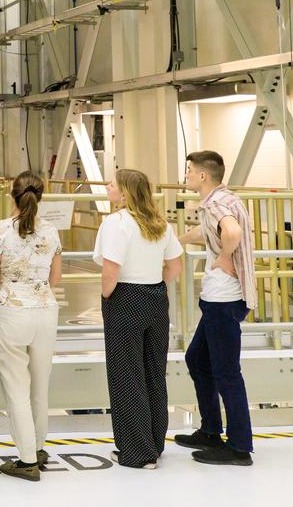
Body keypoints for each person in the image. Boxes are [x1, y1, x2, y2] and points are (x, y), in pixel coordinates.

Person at [94, 169, 184, 470]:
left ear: (125, 193)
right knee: (153, 372)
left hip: (125, 297)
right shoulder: (160, 224)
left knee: (126, 375)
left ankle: (137, 451)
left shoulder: (116, 224)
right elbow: (175, 265)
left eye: (113, 184)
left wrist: (108, 296)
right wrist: (156, 284)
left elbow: (110, 270)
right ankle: (155, 443)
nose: (108, 186)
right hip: (156, 297)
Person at [175, 150, 256, 466]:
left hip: (224, 298)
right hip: (218, 299)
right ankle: (211, 430)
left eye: (189, 171)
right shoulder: (222, 200)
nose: (187, 176)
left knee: (226, 372)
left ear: (202, 176)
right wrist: (176, 242)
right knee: (197, 359)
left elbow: (231, 232)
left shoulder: (218, 203)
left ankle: (239, 446)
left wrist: (224, 259)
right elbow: (207, 232)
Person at [0, 171, 62, 482]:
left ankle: (26, 458)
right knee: (40, 385)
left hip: (11, 310)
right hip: (45, 309)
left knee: (16, 387)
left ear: (11, 196)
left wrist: (3, 302)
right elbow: (54, 279)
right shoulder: (51, 231)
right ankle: (39, 448)